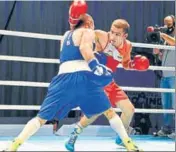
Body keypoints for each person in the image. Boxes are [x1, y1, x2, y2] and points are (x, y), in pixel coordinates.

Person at [4, 1, 113, 151]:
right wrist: (96, 64)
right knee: (107, 110)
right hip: (83, 77)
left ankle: (15, 144)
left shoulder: (66, 36)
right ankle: (126, 142)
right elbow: (85, 50)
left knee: (41, 119)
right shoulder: (88, 33)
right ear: (88, 22)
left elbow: (75, 53)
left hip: (62, 78)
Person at [65, 18, 148, 151]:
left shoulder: (128, 46)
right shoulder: (102, 36)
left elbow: (126, 64)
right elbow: (86, 34)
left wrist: (134, 65)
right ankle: (73, 134)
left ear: (125, 36)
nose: (113, 36)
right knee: (95, 113)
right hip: (95, 81)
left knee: (129, 109)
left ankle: (121, 137)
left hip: (109, 82)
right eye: (112, 32)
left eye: (117, 34)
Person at [153, 15, 175, 139]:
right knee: (166, 104)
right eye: (165, 24)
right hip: (165, 75)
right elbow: (161, 57)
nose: (167, 26)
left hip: (174, 75)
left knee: (175, 104)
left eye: (169, 24)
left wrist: (162, 35)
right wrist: (158, 50)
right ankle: (166, 128)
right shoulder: (166, 39)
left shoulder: (170, 38)